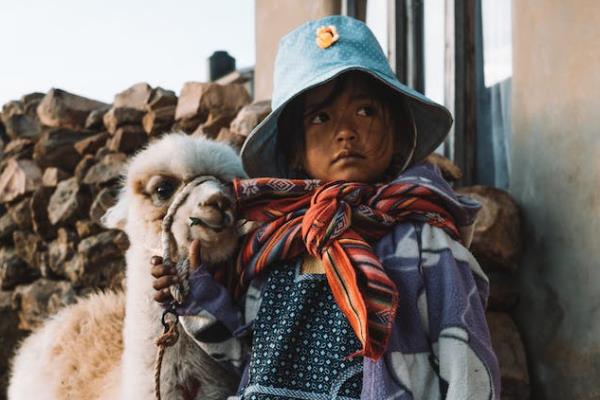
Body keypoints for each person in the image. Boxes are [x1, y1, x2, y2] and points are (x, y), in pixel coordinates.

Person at [152, 15, 501, 399]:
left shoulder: (425, 242)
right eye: (321, 117)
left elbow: (467, 365)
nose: (345, 131)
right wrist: (193, 294)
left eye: (365, 111)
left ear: (397, 131)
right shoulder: (275, 246)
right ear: (295, 151)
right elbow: (249, 357)